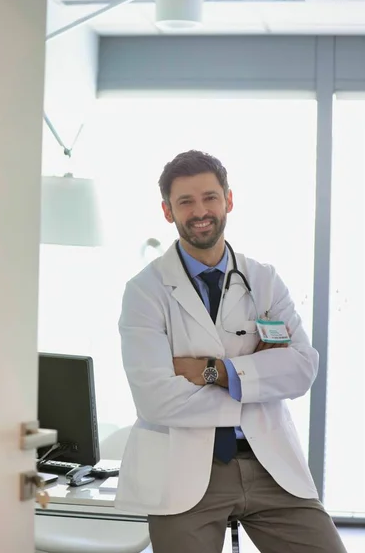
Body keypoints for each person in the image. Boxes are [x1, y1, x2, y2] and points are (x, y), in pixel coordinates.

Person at [116, 150, 346, 553]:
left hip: (269, 462)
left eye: (209, 197)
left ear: (229, 201)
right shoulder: (145, 291)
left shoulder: (264, 280)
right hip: (185, 470)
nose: (199, 211)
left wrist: (214, 372)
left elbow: (303, 368)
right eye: (185, 201)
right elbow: (154, 399)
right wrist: (255, 381)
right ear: (168, 212)